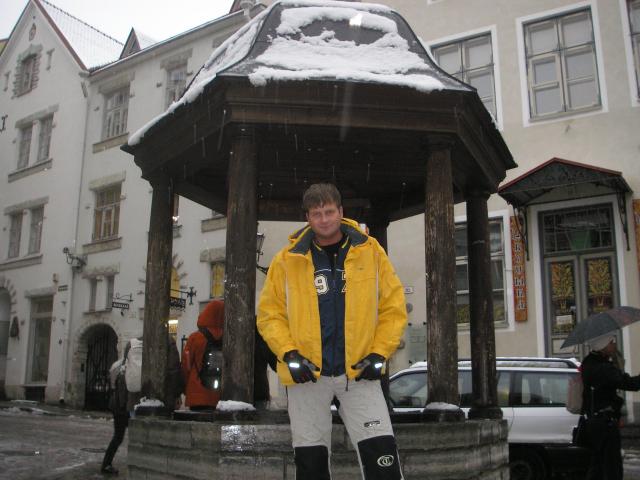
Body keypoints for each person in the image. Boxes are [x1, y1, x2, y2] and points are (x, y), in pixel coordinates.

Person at [257, 183, 407, 480]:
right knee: (310, 464)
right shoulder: (286, 260)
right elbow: (269, 315)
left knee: (383, 460)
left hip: (359, 373)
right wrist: (289, 354)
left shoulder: (371, 252)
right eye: (316, 214)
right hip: (307, 376)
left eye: (329, 212)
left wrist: (379, 353)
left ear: (341, 211)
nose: (324, 220)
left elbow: (393, 307)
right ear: (307, 217)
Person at [581, 333, 640, 480]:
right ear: (602, 346)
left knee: (597, 466)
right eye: (611, 342)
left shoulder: (589, 362)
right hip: (605, 423)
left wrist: (614, 362)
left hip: (594, 421)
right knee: (611, 467)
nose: (614, 345)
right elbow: (629, 383)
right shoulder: (603, 368)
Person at [181, 299, 224, 410]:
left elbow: (186, 365)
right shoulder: (227, 339)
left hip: (196, 393)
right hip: (219, 396)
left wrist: (185, 387)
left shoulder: (195, 337)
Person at [101, 341, 133, 475]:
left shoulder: (117, 365)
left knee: (118, 437)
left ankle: (106, 464)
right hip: (123, 406)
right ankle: (108, 464)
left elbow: (113, 384)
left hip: (117, 405)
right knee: (128, 436)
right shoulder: (130, 366)